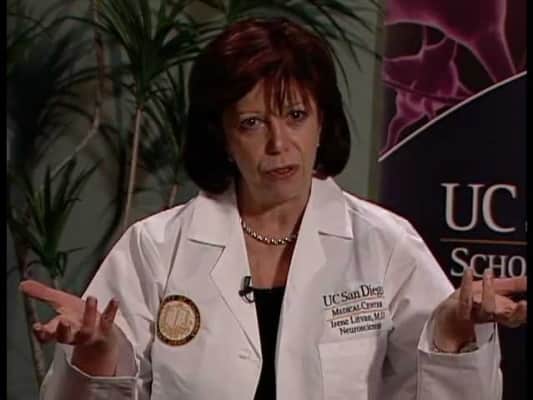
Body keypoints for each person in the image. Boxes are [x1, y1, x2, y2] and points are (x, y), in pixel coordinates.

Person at [20, 17, 526, 400]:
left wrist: (454, 334)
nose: (279, 143)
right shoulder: (155, 248)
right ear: (222, 136)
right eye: (252, 123)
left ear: (322, 122)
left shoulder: (386, 244)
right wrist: (97, 356)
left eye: (295, 115)